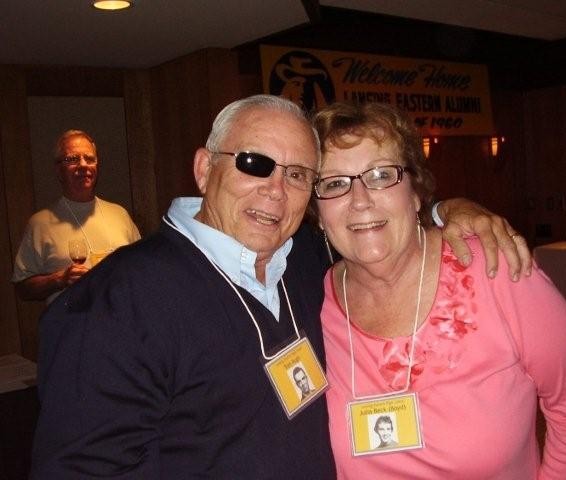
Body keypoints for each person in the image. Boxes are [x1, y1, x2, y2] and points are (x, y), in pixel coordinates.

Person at [31, 95, 530, 478]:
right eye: (254, 163)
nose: (275, 190)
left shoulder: (309, 258)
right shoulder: (116, 303)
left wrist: (448, 210)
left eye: (297, 174)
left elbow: (380, 226)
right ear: (205, 169)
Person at [311, 102, 566, 479]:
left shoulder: (496, 269)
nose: (360, 200)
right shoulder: (312, 301)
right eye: (335, 183)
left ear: (415, 193)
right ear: (318, 213)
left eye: (382, 175)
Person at [12, 130, 140, 304]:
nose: (83, 165)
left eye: (89, 158)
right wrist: (59, 279)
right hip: (71, 320)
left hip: (122, 317)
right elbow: (22, 289)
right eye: (72, 159)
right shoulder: (40, 223)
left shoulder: (120, 214)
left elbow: (141, 268)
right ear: (59, 170)